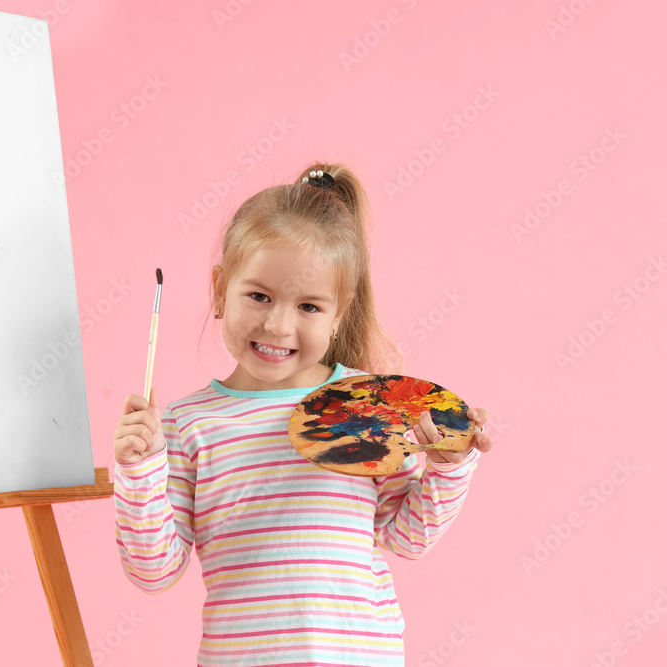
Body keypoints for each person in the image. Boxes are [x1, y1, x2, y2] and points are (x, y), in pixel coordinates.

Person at [113, 163, 493, 666]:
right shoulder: (185, 426)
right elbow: (153, 572)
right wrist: (138, 471)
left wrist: (448, 465)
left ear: (340, 314)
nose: (277, 324)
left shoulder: (369, 403)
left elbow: (406, 537)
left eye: (309, 307)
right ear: (219, 288)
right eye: (259, 296)